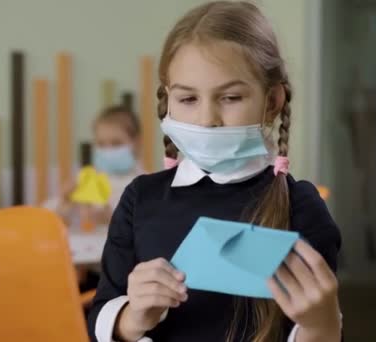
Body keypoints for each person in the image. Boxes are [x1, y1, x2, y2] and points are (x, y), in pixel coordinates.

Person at [88, 2, 342, 341]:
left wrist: (320, 323)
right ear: (167, 101)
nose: (207, 119)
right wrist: (132, 317)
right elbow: (101, 318)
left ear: (271, 102)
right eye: (188, 99)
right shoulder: (140, 199)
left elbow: (318, 329)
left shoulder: (301, 206)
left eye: (231, 97)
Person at [44, 105, 145, 226]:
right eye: (101, 144)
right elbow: (46, 216)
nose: (108, 151)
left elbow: (148, 225)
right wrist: (64, 199)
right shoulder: (85, 179)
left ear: (136, 143)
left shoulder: (145, 184)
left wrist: (110, 217)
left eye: (116, 143)